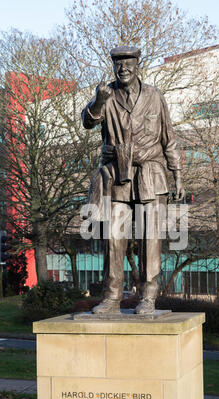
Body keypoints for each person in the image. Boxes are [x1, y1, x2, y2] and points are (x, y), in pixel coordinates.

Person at [82, 45, 184, 314]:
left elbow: (169, 138)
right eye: (118, 64)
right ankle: (112, 297)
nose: (123, 68)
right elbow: (88, 122)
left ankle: (148, 297)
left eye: (128, 64)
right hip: (117, 176)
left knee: (151, 239)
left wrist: (178, 176)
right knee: (114, 238)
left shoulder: (154, 96)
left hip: (150, 174)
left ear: (138, 65)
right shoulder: (106, 95)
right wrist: (99, 101)